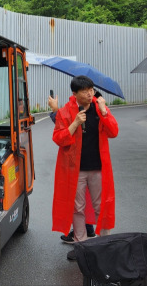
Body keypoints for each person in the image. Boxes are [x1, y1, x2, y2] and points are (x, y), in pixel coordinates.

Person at [51, 76, 119, 261]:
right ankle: (81, 245)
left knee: (101, 206)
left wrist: (104, 112)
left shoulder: (99, 108)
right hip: (75, 170)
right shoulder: (66, 112)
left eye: (91, 89)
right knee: (77, 208)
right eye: (85, 91)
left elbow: (114, 132)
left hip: (98, 167)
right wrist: (74, 124)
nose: (90, 93)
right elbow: (58, 138)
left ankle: (105, 244)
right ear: (74, 93)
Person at [49, 93, 97, 243]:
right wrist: (57, 110)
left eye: (89, 89)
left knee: (82, 201)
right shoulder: (73, 107)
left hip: (88, 162)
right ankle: (84, 233)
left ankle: (85, 234)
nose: (88, 93)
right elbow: (63, 128)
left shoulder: (95, 106)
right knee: (81, 201)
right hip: (80, 162)